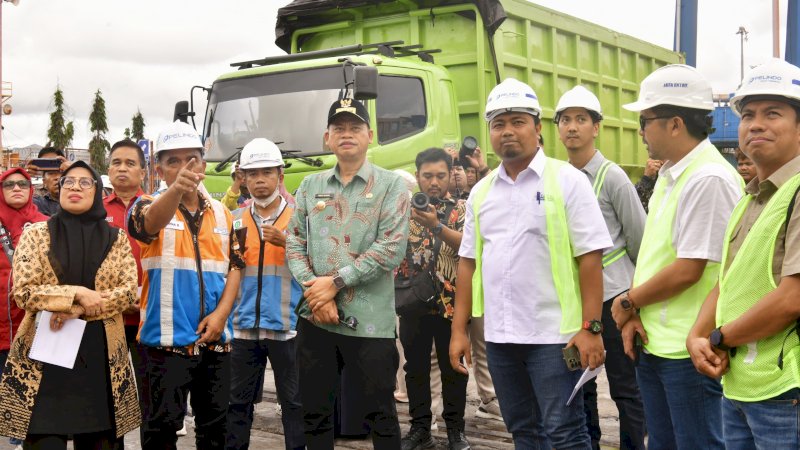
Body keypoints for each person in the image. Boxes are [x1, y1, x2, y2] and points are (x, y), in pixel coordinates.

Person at [449, 78, 611, 449]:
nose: (507, 132)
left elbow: (591, 258)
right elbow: (468, 264)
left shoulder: (568, 181)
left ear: (538, 129)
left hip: (554, 338)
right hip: (501, 339)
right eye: (498, 124)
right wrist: (460, 331)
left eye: (518, 122)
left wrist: (591, 328)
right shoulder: (482, 192)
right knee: (523, 431)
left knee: (566, 434)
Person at [610, 64, 742, 450]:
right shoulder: (673, 175)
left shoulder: (708, 179)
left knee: (697, 444)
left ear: (674, 124)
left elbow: (688, 269)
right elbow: (654, 255)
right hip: (658, 343)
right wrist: (634, 313)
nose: (640, 131)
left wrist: (628, 301)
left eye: (645, 120)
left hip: (688, 349)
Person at [686, 58, 800, 449]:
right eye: (748, 114)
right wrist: (697, 335)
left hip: (786, 392)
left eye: (773, 113)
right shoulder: (750, 198)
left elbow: (792, 299)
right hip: (741, 386)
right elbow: (728, 282)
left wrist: (719, 337)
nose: (756, 124)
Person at [286, 97, 409, 449]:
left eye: (355, 127)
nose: (346, 134)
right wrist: (315, 291)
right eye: (338, 128)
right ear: (327, 137)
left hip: (370, 323)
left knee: (380, 415)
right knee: (314, 412)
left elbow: (390, 249)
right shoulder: (310, 186)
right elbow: (294, 242)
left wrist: (334, 283)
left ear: (370, 135)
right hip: (316, 320)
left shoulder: (391, 186)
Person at [0, 161, 140, 448]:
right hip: (44, 364)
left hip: (101, 361)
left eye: (85, 182)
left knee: (101, 440)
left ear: (98, 191)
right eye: (69, 181)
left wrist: (78, 309)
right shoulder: (36, 235)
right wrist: (74, 293)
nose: (75, 186)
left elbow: (127, 294)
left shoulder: (117, 239)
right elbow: (24, 292)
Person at [128, 120, 245, 450]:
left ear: (203, 166)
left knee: (215, 430)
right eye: (173, 161)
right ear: (160, 169)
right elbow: (148, 224)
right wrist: (177, 190)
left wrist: (222, 315)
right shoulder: (144, 206)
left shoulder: (223, 214)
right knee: (160, 432)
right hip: (164, 346)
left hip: (215, 343)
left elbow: (236, 265)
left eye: (190, 160)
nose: (183, 168)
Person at [555, 85, 647, 450]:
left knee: (626, 388)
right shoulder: (557, 178)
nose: (572, 127)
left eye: (581, 119)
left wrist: (636, 299)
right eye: (565, 120)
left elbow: (639, 239)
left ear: (596, 128)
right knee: (581, 384)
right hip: (576, 300)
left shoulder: (613, 178)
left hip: (615, 300)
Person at [226, 138, 305, 450]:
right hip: (243, 327)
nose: (260, 180)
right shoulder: (234, 220)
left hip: (287, 326)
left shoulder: (300, 219)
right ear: (243, 179)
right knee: (237, 405)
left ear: (280, 177)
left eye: (267, 173)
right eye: (253, 173)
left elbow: (321, 264)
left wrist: (289, 243)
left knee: (295, 404)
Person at [397, 147, 469, 450]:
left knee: (455, 368)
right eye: (428, 176)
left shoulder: (461, 209)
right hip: (412, 304)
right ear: (417, 177)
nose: (434, 182)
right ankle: (420, 428)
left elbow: (469, 246)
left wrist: (435, 226)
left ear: (451, 175)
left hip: (453, 304)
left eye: (441, 175)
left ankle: (455, 430)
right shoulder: (402, 210)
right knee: (414, 369)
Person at [103, 139, 147, 378]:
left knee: (148, 387)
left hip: (148, 315)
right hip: (109, 315)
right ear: (108, 170)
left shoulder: (157, 208)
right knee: (111, 385)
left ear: (142, 172)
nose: (122, 168)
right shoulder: (96, 212)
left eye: (130, 163)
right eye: (116, 163)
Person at [0, 168, 48, 370]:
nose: (16, 188)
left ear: (31, 189)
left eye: (23, 184)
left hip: (36, 324)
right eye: (9, 184)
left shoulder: (47, 225)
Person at [30, 147, 70, 216]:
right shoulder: (38, 203)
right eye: (51, 173)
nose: (57, 177)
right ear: (44, 181)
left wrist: (73, 169)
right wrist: (23, 176)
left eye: (61, 172)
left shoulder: (81, 199)